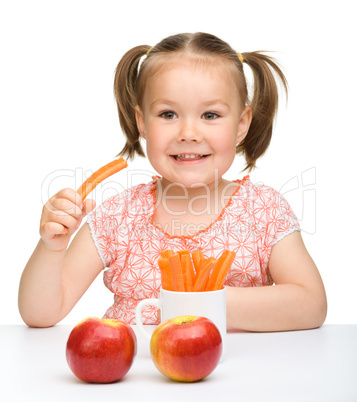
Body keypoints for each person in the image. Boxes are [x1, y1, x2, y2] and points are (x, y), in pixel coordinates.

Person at [18, 32, 327, 331]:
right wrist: (52, 248)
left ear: (241, 124)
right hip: (136, 378)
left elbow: (311, 305)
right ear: (142, 122)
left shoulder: (264, 211)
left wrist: (200, 301)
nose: (188, 133)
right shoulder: (117, 217)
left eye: (210, 115)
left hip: (235, 380)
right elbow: (40, 314)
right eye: (168, 114)